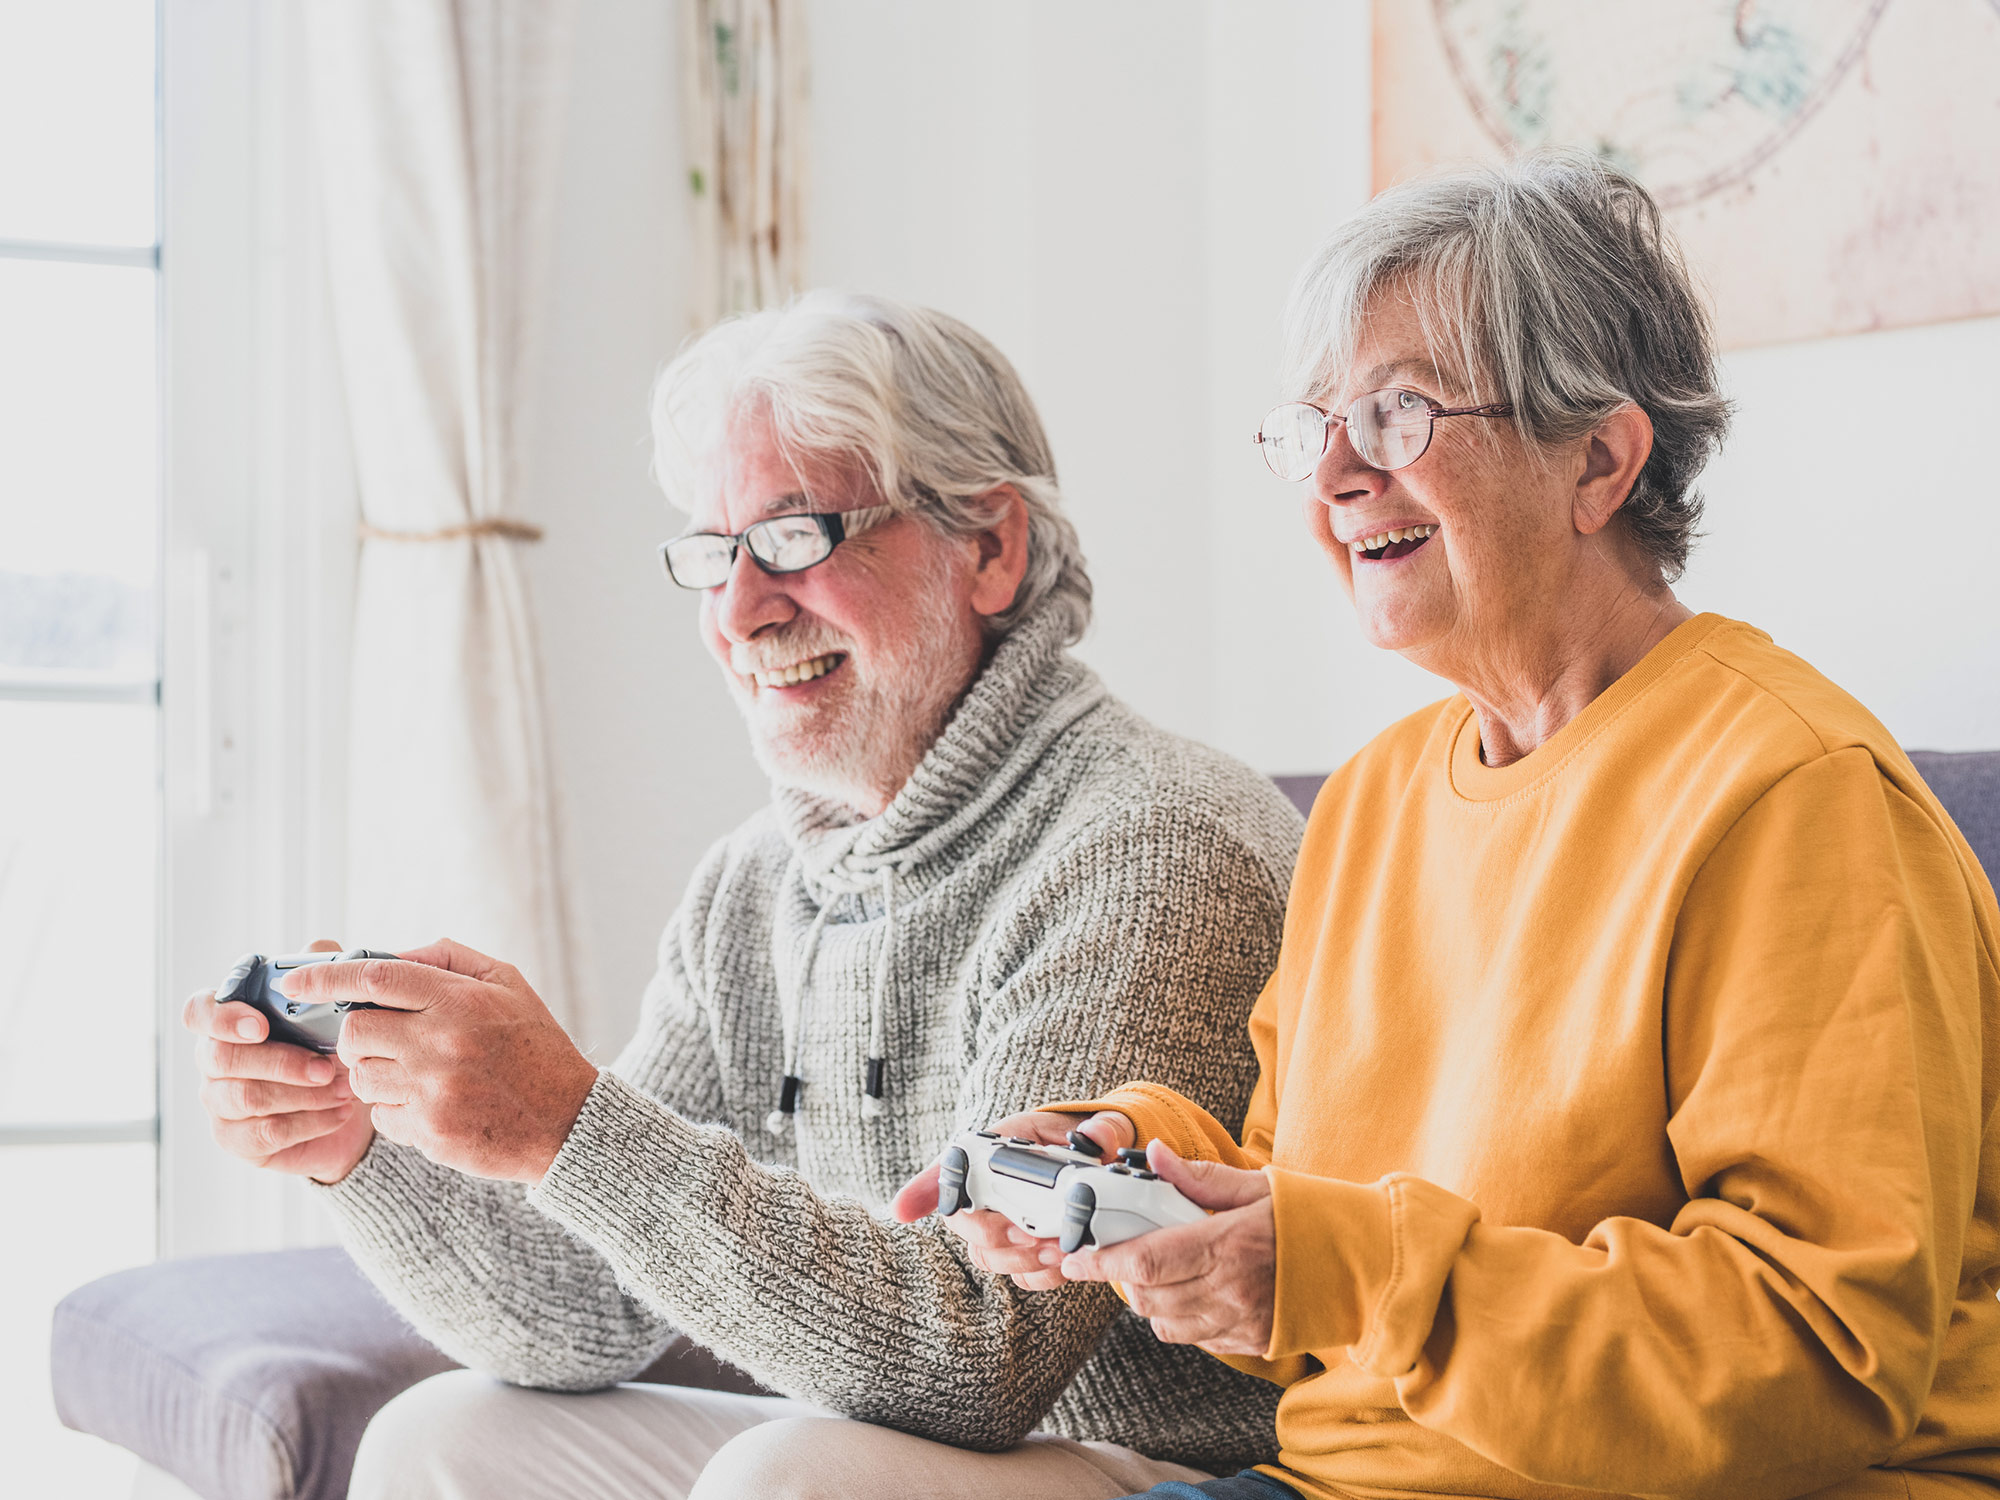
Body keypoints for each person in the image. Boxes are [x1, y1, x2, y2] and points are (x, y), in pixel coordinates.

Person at [714, 153, 2000, 1499]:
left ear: (1599, 460)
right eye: (1312, 424)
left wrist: (1335, 1267)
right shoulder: (1381, 795)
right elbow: (1314, 1188)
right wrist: (1140, 1168)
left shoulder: (1792, 792)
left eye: (1394, 415)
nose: (1330, 471)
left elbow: (1817, 1356)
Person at [182, 292, 1305, 1499]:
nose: (737, 612)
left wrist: (571, 1123)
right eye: (713, 554)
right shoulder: (755, 882)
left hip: (1180, 1470)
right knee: (442, 1437)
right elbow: (582, 1321)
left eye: (792, 539)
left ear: (990, 549)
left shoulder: (1149, 844)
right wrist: (360, 1148)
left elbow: (982, 1359)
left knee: (788, 1474)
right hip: (903, 1451)